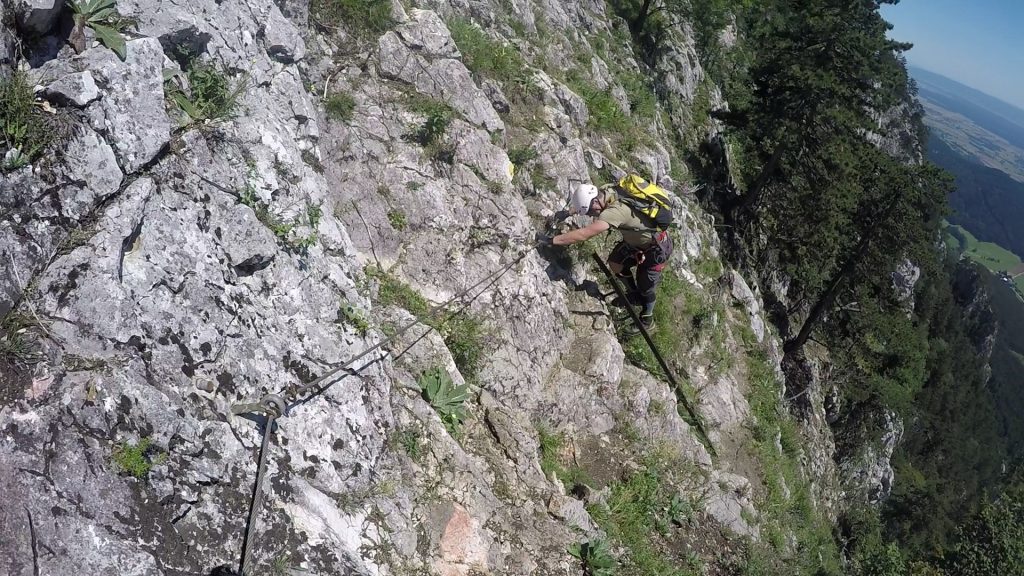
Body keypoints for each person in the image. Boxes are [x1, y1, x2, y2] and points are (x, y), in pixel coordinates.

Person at [537, 182, 674, 329]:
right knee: (616, 263)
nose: (591, 215)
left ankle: (647, 319)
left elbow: (584, 234)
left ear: (595, 202)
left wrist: (552, 240)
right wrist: (569, 212)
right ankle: (633, 294)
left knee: (646, 287)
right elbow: (587, 204)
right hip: (635, 242)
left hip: (656, 249)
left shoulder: (613, 212)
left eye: (590, 211)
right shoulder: (607, 191)